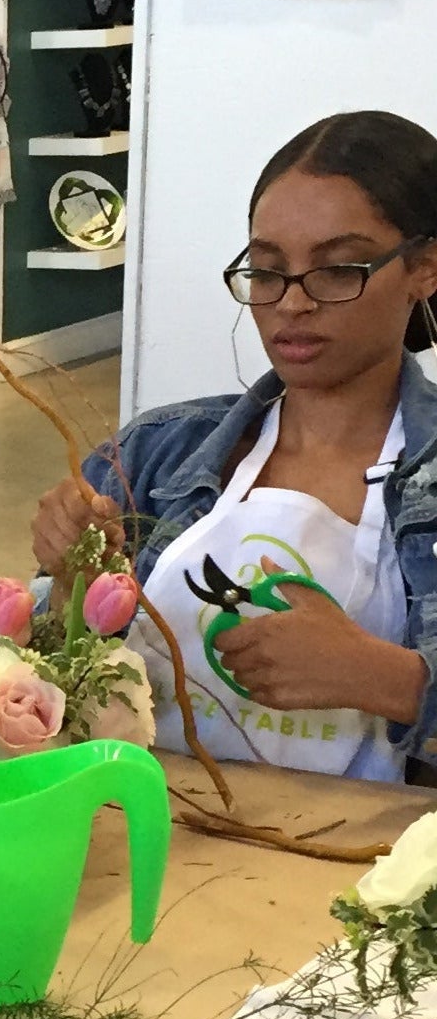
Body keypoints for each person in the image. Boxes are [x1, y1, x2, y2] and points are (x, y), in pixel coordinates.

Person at [32, 109, 437, 781]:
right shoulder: (155, 456)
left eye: (337, 270)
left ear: (424, 269)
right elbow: (44, 673)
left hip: (363, 867)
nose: (292, 304)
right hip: (148, 825)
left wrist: (386, 680)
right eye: (269, 271)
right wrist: (70, 583)